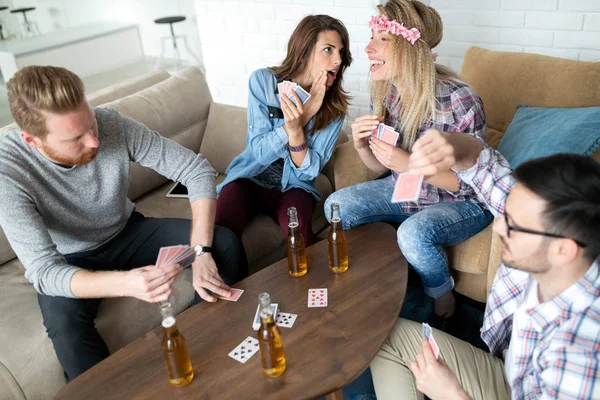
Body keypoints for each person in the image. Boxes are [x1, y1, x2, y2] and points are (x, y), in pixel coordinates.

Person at [0, 66, 248, 381]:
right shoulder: (7, 171)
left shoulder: (109, 122)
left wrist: (201, 251)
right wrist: (128, 282)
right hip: (69, 259)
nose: (93, 142)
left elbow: (195, 170)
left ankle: (210, 346)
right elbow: (46, 272)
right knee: (66, 327)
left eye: (91, 124)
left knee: (223, 243)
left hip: (128, 232)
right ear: (31, 140)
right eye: (76, 138)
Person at [370, 129, 600, 399]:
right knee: (384, 337)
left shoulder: (578, 354)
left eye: (512, 225)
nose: (499, 227)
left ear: (563, 251)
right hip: (512, 370)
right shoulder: (556, 239)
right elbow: (483, 165)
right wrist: (451, 146)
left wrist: (451, 393)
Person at [324, 0, 492, 329]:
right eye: (371, 36)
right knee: (336, 207)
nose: (368, 47)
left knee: (413, 233)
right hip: (404, 188)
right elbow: (378, 169)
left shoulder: (460, 99)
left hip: (461, 200)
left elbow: (471, 184)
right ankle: (377, 287)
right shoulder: (386, 94)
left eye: (381, 39)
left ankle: (442, 295)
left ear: (409, 47)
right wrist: (362, 145)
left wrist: (410, 162)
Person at [215, 14, 352, 246]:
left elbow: (308, 173)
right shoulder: (263, 82)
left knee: (299, 238)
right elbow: (259, 152)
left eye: (340, 52)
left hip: (294, 186)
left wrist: (299, 127)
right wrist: (303, 115)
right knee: (220, 234)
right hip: (249, 178)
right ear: (305, 51)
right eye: (328, 50)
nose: (338, 60)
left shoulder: (335, 110)